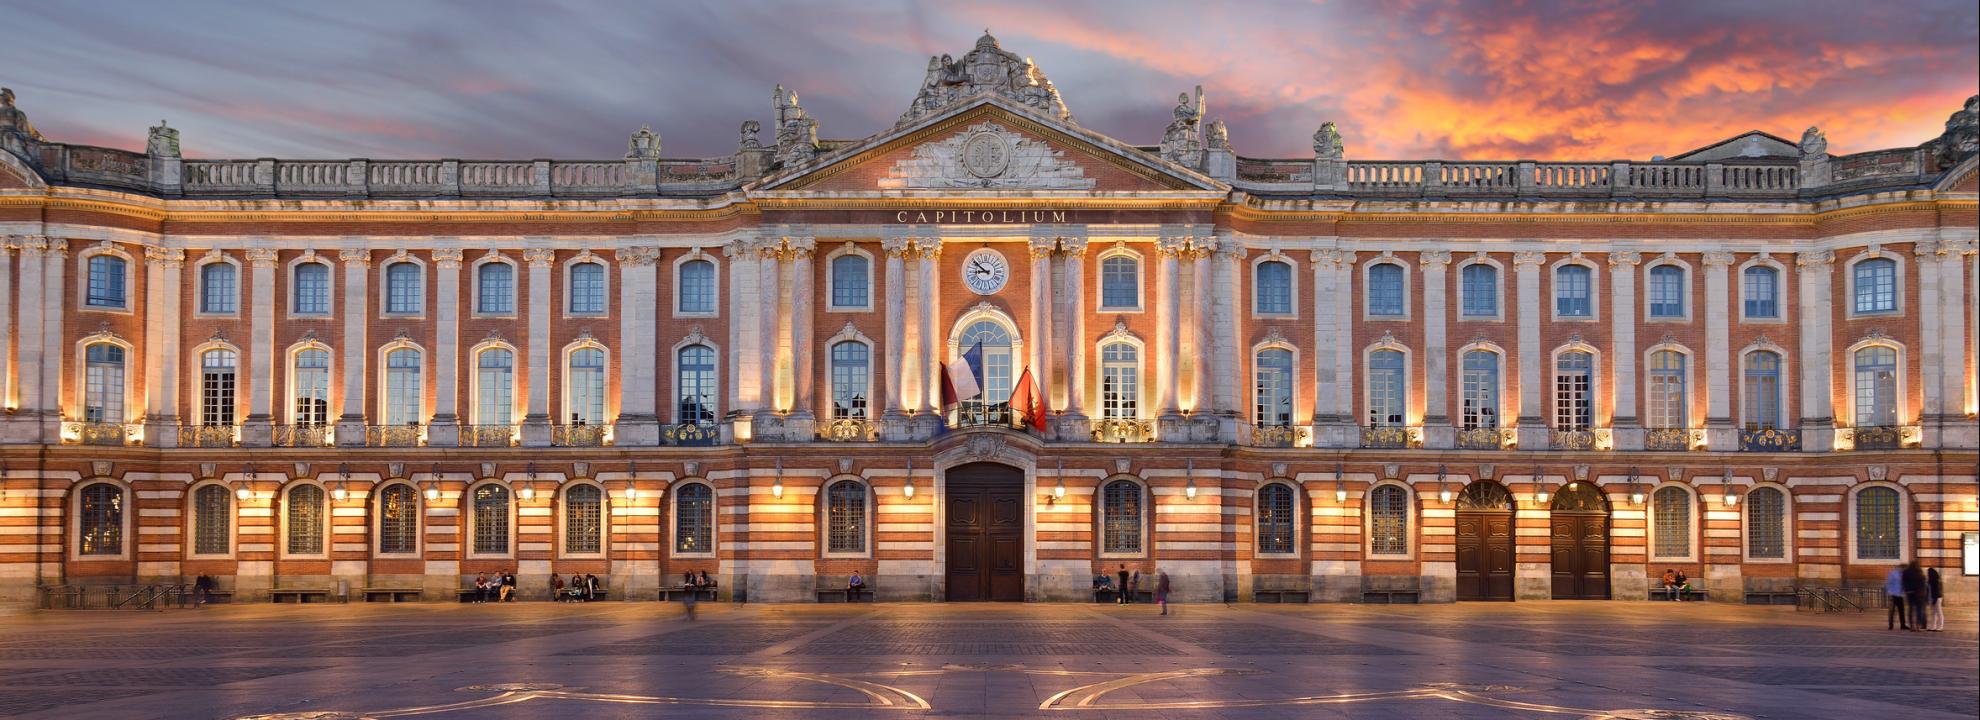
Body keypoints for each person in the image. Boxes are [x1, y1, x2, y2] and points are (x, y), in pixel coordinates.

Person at [1901, 560, 1927, 632]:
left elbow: (1903, 582)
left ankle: (1912, 626)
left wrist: (1906, 590)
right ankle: (1918, 626)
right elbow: (1923, 584)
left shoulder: (1906, 572)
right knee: (1919, 610)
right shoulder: (1919, 572)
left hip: (1910, 593)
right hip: (1919, 594)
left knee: (1911, 609)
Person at [1926, 566, 1945, 632]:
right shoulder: (1930, 581)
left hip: (1937, 598)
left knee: (1939, 612)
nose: (1927, 574)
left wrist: (1934, 599)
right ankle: (1933, 626)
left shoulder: (1936, 580)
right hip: (1932, 598)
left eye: (1928, 572)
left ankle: (1940, 626)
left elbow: (1937, 591)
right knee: (1933, 613)